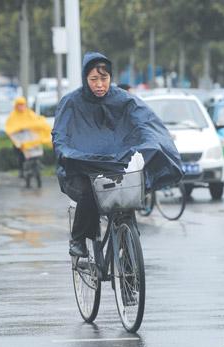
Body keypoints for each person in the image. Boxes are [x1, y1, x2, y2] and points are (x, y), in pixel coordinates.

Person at [52, 52, 183, 257]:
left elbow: (144, 123)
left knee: (128, 196)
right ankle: (78, 239)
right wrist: (68, 154)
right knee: (88, 192)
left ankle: (128, 251)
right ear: (86, 79)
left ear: (111, 78)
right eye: (94, 79)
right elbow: (60, 136)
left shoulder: (124, 100)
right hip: (81, 169)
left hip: (118, 167)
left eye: (104, 79)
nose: (99, 85)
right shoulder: (71, 102)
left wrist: (153, 144)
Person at [5, 96, 51, 178]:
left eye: (22, 105)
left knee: (37, 150)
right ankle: (21, 170)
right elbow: (10, 128)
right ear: (16, 106)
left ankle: (37, 165)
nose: (21, 107)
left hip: (30, 139)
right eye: (19, 105)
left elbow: (37, 121)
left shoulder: (29, 113)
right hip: (20, 140)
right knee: (20, 154)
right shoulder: (13, 116)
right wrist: (18, 130)